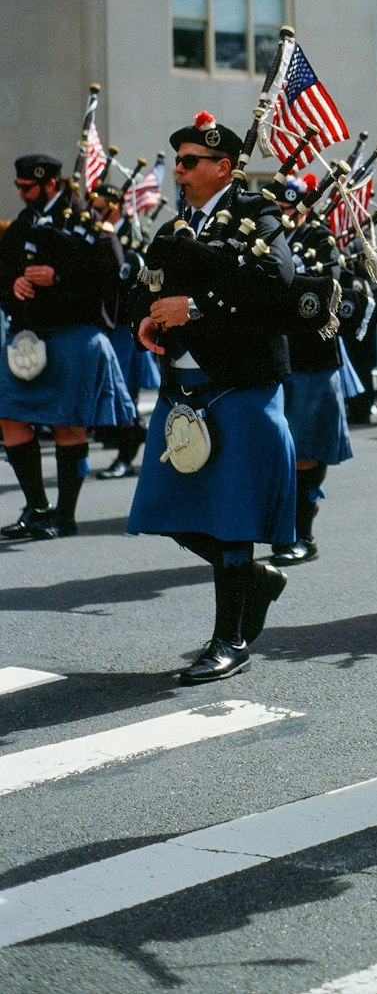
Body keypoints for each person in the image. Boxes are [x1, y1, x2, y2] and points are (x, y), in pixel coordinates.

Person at [126, 111, 296, 684]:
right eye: (177, 161)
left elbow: (278, 280)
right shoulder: (174, 230)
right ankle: (257, 580)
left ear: (224, 167)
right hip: (185, 391)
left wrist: (195, 307)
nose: (180, 169)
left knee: (231, 519)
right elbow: (143, 286)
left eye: (191, 161)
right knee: (167, 509)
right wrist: (143, 321)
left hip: (239, 386)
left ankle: (230, 640)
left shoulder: (257, 214)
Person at [0, 153, 133, 540]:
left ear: (51, 183)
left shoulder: (89, 221)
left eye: (29, 188)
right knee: (10, 417)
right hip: (27, 336)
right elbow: (3, 269)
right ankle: (37, 508)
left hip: (74, 332)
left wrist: (58, 275)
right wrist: (12, 286)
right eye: (19, 187)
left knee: (67, 424)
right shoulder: (24, 223)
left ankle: (64, 515)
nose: (23, 195)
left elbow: (113, 272)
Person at [268, 173, 353, 566]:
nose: (286, 214)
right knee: (271, 452)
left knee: (305, 452)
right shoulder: (264, 237)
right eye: (280, 208)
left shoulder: (320, 240)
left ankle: (303, 535)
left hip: (310, 359)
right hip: (270, 355)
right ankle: (275, 529)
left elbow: (325, 289)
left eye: (292, 208)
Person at [89, 180, 159, 479]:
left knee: (123, 390)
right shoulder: (96, 235)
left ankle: (126, 455)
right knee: (112, 390)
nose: (95, 212)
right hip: (105, 323)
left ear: (115, 207)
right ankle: (125, 443)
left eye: (101, 207)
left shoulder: (131, 239)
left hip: (125, 325)